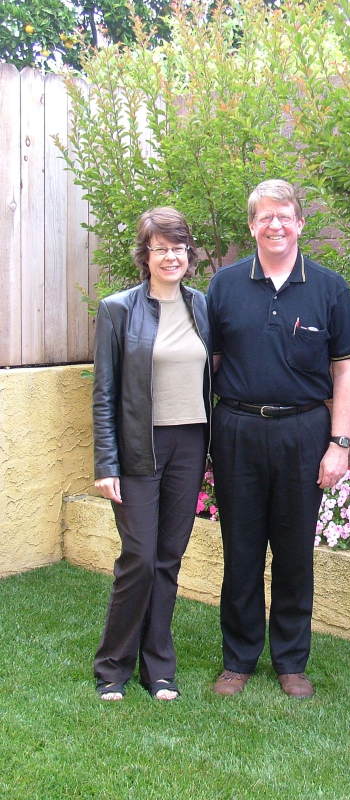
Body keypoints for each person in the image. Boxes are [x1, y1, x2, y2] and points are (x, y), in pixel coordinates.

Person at [208, 179, 350, 698]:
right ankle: (239, 658)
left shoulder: (329, 287)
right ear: (251, 225)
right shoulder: (225, 286)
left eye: (285, 215)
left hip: (303, 431)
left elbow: (345, 371)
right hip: (237, 430)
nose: (275, 225)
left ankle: (292, 661)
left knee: (295, 552)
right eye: (264, 217)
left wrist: (338, 443)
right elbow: (207, 363)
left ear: (300, 223)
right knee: (242, 549)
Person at [92, 207, 212, 701]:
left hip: (191, 443)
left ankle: (158, 667)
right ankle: (112, 666)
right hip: (140, 445)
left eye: (179, 247)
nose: (171, 256)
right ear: (145, 256)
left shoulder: (203, 306)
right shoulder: (118, 308)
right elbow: (104, 392)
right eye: (161, 248)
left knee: (168, 558)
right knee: (139, 557)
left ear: (189, 254)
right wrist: (106, 463)